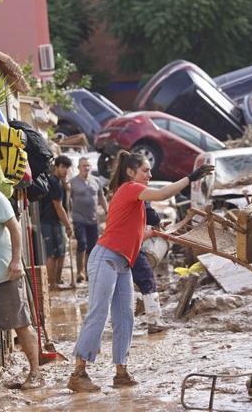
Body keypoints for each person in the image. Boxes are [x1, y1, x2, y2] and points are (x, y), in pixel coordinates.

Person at [67, 151, 213, 392]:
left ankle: (121, 372)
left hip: (123, 263)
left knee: (126, 316)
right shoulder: (129, 188)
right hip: (105, 258)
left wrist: (158, 231)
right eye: (145, 170)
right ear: (130, 172)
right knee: (99, 312)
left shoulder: (135, 200)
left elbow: (137, 232)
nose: (150, 174)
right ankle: (78, 373)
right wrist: (191, 178)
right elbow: (163, 193)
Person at [0, 185, 43, 389]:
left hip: (3, 274)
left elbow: (15, 228)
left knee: (20, 322)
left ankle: (35, 373)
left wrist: (15, 261)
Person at [70, 157, 108, 282]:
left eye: (87, 165)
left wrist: (108, 212)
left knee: (92, 247)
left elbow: (101, 198)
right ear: (78, 168)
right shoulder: (73, 182)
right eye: (83, 165)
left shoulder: (96, 181)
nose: (86, 168)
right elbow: (67, 200)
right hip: (78, 218)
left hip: (92, 219)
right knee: (82, 243)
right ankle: (79, 272)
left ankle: (88, 271)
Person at [132, 202, 169, 334]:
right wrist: (154, 229)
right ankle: (154, 321)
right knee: (147, 278)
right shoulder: (139, 195)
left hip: (121, 247)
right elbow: (151, 216)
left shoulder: (122, 194)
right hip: (131, 247)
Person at [40, 155, 73, 285]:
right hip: (50, 222)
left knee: (61, 253)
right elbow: (59, 207)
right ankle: (52, 283)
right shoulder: (54, 182)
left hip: (54, 221)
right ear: (56, 167)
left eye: (67, 168)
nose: (65, 170)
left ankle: (56, 281)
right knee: (52, 255)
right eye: (63, 167)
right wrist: (68, 226)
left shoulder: (57, 182)